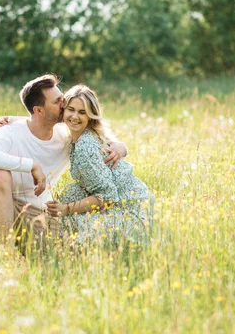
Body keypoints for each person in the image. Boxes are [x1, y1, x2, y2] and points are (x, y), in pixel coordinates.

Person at [0, 74, 127, 251]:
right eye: (57, 102)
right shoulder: (8, 131)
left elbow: (100, 139)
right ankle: (7, 252)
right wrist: (31, 165)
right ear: (39, 110)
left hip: (35, 211)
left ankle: (22, 253)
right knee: (0, 174)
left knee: (61, 256)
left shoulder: (66, 136)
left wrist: (120, 147)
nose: (64, 105)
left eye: (62, 99)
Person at [45, 85, 154, 247]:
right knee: (68, 201)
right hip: (126, 203)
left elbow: (107, 196)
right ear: (63, 111)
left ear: (91, 116)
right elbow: (42, 119)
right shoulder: (79, 135)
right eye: (71, 110)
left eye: (82, 112)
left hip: (130, 211)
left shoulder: (85, 146)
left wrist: (66, 208)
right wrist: (12, 121)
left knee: (67, 234)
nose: (75, 116)